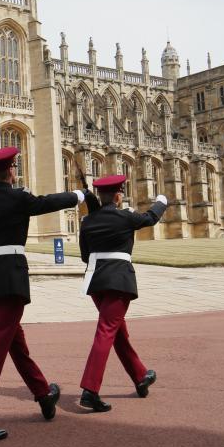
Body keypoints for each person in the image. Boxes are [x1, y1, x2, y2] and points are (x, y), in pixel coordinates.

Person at [0, 146, 86, 443]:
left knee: (15, 343)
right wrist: (78, 195)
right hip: (11, 277)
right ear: (12, 170)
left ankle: (43, 394)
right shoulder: (18, 198)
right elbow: (46, 203)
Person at [77, 175, 168, 413]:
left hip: (96, 281)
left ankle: (140, 376)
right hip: (119, 280)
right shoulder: (125, 216)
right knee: (107, 331)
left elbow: (85, 256)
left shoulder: (87, 221)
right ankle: (90, 389)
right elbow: (150, 218)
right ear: (118, 195)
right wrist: (161, 201)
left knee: (118, 333)